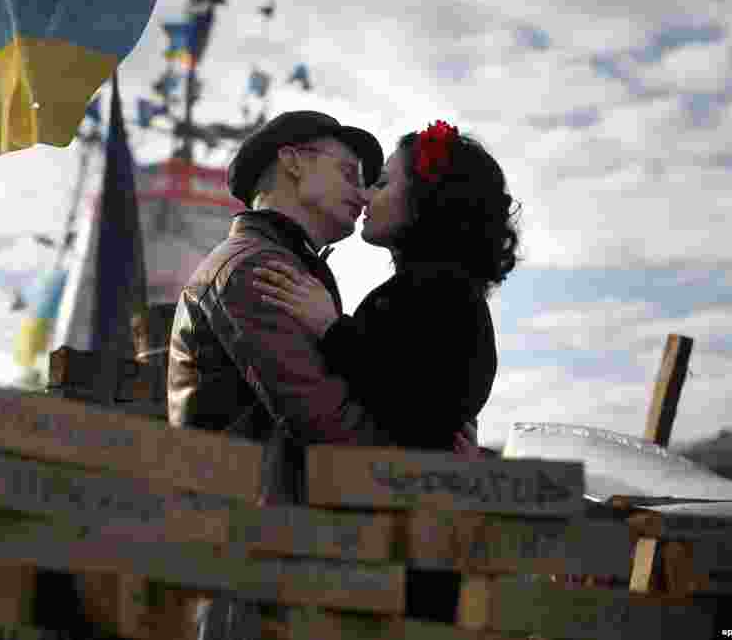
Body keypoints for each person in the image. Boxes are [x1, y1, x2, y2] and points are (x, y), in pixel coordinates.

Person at [165, 109, 390, 640]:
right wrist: (428, 467)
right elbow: (322, 420)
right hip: (249, 553)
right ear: (291, 162)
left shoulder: (286, 264)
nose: (362, 195)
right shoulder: (255, 268)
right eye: (347, 173)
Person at [251, 120, 520, 453]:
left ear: (426, 197)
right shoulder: (441, 292)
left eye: (381, 183)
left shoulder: (440, 296)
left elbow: (411, 400)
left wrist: (331, 329)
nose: (364, 196)